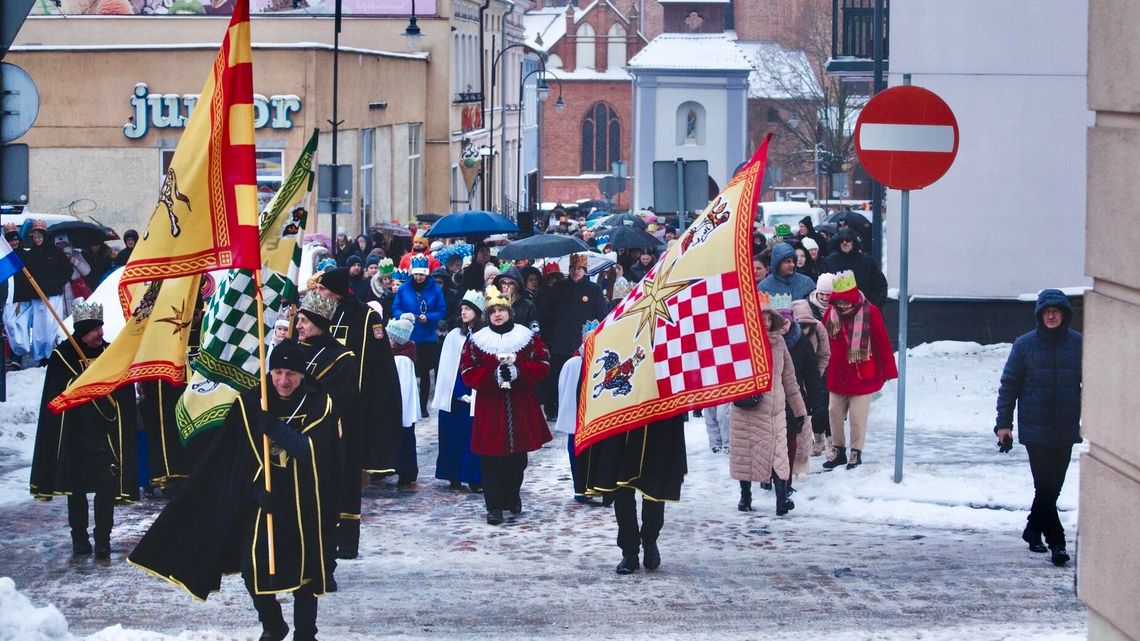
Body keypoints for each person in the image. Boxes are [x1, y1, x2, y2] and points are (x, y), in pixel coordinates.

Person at [128, 340, 336, 641]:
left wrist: (275, 428)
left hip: (305, 503)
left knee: (305, 575)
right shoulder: (254, 402)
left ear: (302, 374)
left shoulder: (318, 404)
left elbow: (312, 452)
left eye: (290, 373)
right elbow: (233, 459)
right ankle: (273, 624)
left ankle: (306, 634)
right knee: (253, 569)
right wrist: (253, 491)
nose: (283, 380)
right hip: (263, 503)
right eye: (277, 371)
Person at [30, 301, 138, 558]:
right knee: (76, 490)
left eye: (100, 328)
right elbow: (57, 395)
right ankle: (79, 537)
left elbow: (123, 388)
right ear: (81, 332)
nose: (100, 334)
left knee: (105, 489)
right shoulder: (63, 355)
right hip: (74, 437)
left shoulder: (111, 352)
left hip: (105, 435)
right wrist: (82, 382)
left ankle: (103, 539)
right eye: (93, 330)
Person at [312, 267, 403, 558]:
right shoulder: (319, 316)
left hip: (352, 412)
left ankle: (348, 542)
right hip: (318, 410)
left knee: (348, 478)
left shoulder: (366, 318)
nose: (319, 295)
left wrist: (376, 409)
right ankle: (321, 537)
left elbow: (380, 368)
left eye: (323, 290)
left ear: (336, 292)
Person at [994, 289, 1081, 567]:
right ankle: (1058, 543)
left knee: (1052, 488)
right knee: (1044, 484)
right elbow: (1009, 386)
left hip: (1066, 427)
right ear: (1040, 315)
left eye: (1056, 311)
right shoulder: (1024, 345)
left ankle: (1033, 529)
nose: (1052, 315)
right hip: (1036, 428)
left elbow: (1094, 384)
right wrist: (1003, 425)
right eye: (1047, 311)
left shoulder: (1079, 344)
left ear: (1065, 315)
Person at [459, 285, 551, 525]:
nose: (497, 315)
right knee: (490, 459)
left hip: (520, 404)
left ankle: (512, 495)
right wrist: (492, 377)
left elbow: (543, 364)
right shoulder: (477, 341)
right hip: (490, 406)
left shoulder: (527, 338)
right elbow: (467, 372)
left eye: (501, 310)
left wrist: (519, 371)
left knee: (517, 459)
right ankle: (494, 507)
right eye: (492, 312)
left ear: (510, 311)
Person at [295, 289, 359, 585]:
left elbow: (339, 400)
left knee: (324, 504)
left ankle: (324, 566)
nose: (298, 326)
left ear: (320, 322)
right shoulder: (292, 351)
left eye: (304, 321)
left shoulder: (341, 358)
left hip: (326, 442)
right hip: (291, 442)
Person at [729, 300, 809, 516]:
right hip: (746, 408)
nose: (765, 322)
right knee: (746, 455)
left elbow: (790, 380)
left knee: (778, 454)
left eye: (769, 318)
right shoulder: (742, 342)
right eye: (761, 317)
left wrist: (800, 411)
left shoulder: (780, 343)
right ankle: (745, 497)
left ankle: (781, 500)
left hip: (774, 411)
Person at [582, 414, 687, 574]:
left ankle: (650, 539)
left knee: (655, 482)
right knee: (621, 486)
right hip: (621, 414)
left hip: (655, 415)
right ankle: (629, 550)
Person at [821, 271, 898, 470]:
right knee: (834, 413)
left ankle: (856, 452)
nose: (844, 306)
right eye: (840, 303)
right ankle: (838, 450)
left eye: (847, 302)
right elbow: (821, 340)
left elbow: (883, 343)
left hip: (862, 374)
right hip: (837, 374)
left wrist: (890, 373)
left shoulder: (871, 312)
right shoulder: (831, 314)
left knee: (857, 416)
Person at [538, 253, 608, 421]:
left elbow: (601, 315)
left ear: (585, 270)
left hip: (583, 342)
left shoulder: (594, 290)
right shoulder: (558, 288)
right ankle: (552, 408)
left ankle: (583, 407)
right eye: (573, 268)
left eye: (579, 269)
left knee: (582, 377)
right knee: (556, 376)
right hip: (560, 340)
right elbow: (547, 314)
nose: (576, 271)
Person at [433, 290, 484, 492]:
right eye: (462, 308)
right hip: (456, 395)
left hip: (475, 393)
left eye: (468, 309)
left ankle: (473, 476)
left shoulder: (483, 336)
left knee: (472, 437)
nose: (464, 312)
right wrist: (457, 390)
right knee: (453, 435)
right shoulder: (455, 336)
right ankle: (452, 474)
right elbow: (447, 367)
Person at [392, 255, 447, 417]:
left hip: (426, 337)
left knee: (424, 374)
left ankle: (422, 407)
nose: (418, 278)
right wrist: (404, 315)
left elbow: (442, 310)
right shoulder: (404, 288)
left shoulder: (435, 289)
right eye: (416, 274)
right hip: (408, 337)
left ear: (426, 274)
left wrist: (429, 317)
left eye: (421, 275)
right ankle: (408, 405)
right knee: (409, 373)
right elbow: (395, 308)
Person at [22, 220, 71, 364]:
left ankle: (50, 354)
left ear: (45, 236)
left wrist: (58, 283)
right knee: (38, 327)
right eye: (35, 237)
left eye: (39, 237)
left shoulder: (56, 252)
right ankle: (39, 355)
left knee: (51, 325)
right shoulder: (30, 254)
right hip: (37, 295)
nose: (37, 240)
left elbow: (68, 270)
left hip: (53, 294)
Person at [386, 313, 422, 487]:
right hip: (402, 408)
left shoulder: (400, 360)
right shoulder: (402, 357)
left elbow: (399, 387)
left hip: (401, 409)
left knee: (403, 440)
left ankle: (406, 471)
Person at [793, 299, 832, 455]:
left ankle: (820, 439)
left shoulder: (818, 328)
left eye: (806, 326)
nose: (803, 330)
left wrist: (817, 374)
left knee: (816, 405)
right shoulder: (787, 330)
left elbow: (824, 353)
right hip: (794, 375)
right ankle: (803, 443)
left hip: (813, 372)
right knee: (797, 410)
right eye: (799, 326)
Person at [821, 228, 888, 308]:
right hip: (838, 310)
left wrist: (871, 305)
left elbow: (880, 286)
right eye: (841, 241)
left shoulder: (867, 262)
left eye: (848, 240)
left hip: (863, 308)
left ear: (854, 242)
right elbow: (824, 286)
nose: (844, 243)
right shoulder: (830, 261)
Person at [492, 267, 539, 332]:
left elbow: (534, 330)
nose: (506, 287)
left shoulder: (527, 305)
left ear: (517, 286)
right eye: (503, 283)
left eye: (510, 284)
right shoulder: (494, 304)